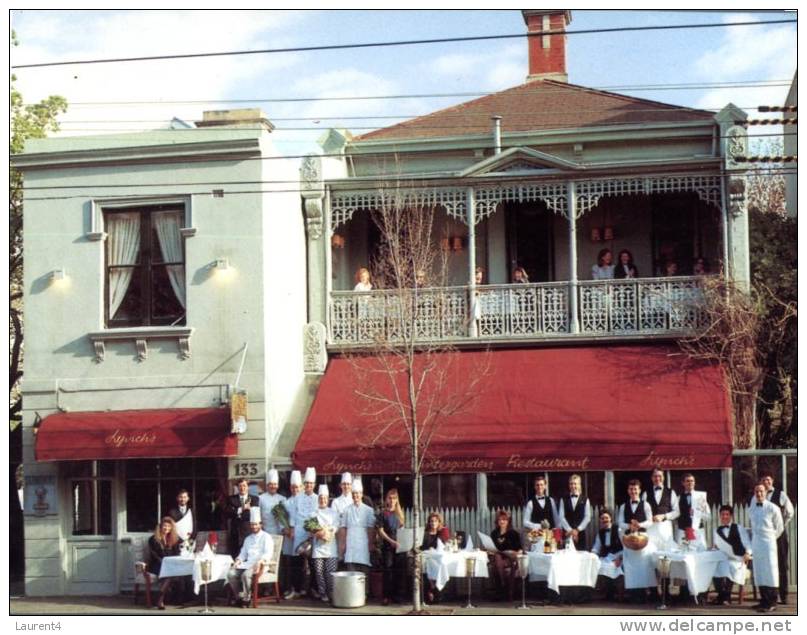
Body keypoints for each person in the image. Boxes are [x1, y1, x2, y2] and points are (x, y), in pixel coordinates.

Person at [754, 472, 794, 604]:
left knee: (781, 565)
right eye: (764, 479)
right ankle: (768, 597)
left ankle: (784, 595)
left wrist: (781, 525)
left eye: (769, 479)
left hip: (778, 534)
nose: (766, 482)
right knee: (766, 566)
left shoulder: (780, 494)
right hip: (763, 538)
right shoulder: (757, 497)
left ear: (772, 481)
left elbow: (790, 512)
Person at [617, 480, 657, 604]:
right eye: (631, 489)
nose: (633, 492)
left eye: (635, 489)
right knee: (631, 567)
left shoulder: (646, 505)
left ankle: (651, 593)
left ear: (639, 490)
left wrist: (639, 525)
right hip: (629, 539)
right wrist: (630, 525)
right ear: (628, 491)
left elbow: (650, 521)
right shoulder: (623, 506)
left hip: (642, 538)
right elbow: (620, 522)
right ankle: (634, 594)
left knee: (646, 566)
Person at [226, 507, 274, 608]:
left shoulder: (267, 537)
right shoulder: (248, 538)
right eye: (252, 524)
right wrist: (238, 560)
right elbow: (243, 553)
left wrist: (260, 561)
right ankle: (240, 596)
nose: (254, 527)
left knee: (245, 575)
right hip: (248, 564)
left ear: (261, 524)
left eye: (256, 524)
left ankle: (247, 598)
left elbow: (268, 553)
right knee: (231, 573)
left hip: (261, 565)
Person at [748, 483, 784, 613]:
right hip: (756, 542)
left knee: (770, 571)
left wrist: (771, 538)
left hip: (768, 542)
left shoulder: (773, 508)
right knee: (759, 571)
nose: (759, 494)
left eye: (761, 491)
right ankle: (763, 600)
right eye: (757, 491)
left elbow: (780, 527)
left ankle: (772, 602)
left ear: (766, 492)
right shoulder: (752, 508)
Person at [286, 467, 318, 599]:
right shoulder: (298, 498)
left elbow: (318, 515)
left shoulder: (317, 498)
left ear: (314, 485)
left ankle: (313, 589)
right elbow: (293, 515)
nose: (308, 485)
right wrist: (292, 529)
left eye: (311, 483)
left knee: (313, 563)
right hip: (299, 532)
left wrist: (314, 531)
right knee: (297, 563)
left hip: (313, 533)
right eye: (307, 483)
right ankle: (297, 589)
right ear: (304, 484)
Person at [710, 505, 751, 606]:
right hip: (723, 557)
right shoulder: (717, 530)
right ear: (720, 516)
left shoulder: (738, 527)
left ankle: (724, 597)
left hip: (738, 558)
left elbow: (747, 542)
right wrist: (713, 548)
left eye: (727, 514)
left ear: (731, 516)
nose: (724, 517)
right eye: (722, 514)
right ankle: (723, 596)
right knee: (714, 567)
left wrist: (748, 553)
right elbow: (717, 545)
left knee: (730, 566)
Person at [338, 478, 376, 575]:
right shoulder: (346, 510)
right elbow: (343, 529)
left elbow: (371, 529)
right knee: (351, 573)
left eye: (358, 493)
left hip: (363, 545)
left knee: (364, 573)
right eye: (354, 493)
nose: (356, 495)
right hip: (350, 544)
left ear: (362, 494)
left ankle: (365, 590)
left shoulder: (368, 510)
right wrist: (342, 546)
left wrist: (370, 544)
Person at [376, 488, 406, 605]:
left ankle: (398, 596)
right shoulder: (383, 513)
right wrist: (391, 541)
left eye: (394, 498)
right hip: (388, 546)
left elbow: (402, 529)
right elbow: (380, 531)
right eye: (390, 498)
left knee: (399, 571)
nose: (392, 500)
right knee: (388, 571)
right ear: (386, 499)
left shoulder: (400, 513)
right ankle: (386, 596)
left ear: (397, 500)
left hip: (399, 546)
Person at [309, 484, 338, 603]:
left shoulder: (333, 513)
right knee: (319, 572)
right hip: (318, 548)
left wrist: (328, 533)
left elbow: (336, 526)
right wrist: (319, 533)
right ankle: (323, 593)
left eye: (325, 498)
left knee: (330, 572)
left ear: (328, 499)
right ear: (318, 499)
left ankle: (332, 593)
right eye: (321, 498)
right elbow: (311, 529)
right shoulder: (313, 514)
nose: (323, 500)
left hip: (331, 547)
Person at [167, 489, 195, 604]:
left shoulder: (192, 511)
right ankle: (178, 598)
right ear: (177, 499)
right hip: (176, 544)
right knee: (178, 571)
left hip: (190, 544)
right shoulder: (172, 512)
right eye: (180, 497)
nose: (182, 499)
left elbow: (195, 526)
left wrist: (191, 539)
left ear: (188, 498)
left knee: (189, 570)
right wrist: (179, 540)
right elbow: (171, 528)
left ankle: (190, 597)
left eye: (184, 497)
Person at [147, 516, 181, 610]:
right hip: (156, 565)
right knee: (169, 574)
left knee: (176, 573)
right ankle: (160, 599)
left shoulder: (174, 539)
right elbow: (155, 555)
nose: (166, 528)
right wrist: (164, 562)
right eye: (165, 526)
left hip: (170, 565)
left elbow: (177, 553)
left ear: (172, 528)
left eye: (169, 527)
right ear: (160, 527)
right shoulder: (153, 539)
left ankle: (160, 597)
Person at [489, 510, 522, 602]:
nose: (502, 522)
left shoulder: (513, 533)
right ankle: (505, 587)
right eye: (499, 520)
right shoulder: (494, 533)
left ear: (508, 521)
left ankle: (501, 589)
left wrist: (515, 553)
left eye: (504, 520)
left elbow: (519, 549)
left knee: (497, 560)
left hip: (510, 558)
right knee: (497, 557)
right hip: (498, 558)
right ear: (497, 521)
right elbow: (492, 547)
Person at [590, 508, 622, 602]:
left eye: (606, 518)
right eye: (602, 518)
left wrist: (620, 558)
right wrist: (592, 555)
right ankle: (608, 593)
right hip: (607, 556)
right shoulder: (600, 532)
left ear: (611, 518)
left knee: (611, 566)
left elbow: (625, 546)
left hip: (618, 554)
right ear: (600, 520)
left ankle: (615, 594)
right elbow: (596, 546)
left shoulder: (618, 529)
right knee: (599, 565)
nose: (604, 520)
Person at [641, 468, 679, 547]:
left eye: (660, 476)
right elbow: (641, 512)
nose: (657, 478)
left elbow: (677, 511)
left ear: (663, 477)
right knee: (651, 550)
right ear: (652, 478)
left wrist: (664, 516)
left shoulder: (671, 492)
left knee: (666, 553)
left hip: (665, 528)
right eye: (655, 476)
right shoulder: (645, 493)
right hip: (651, 528)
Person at [420, 512, 450, 603]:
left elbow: (443, 542)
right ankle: (432, 587)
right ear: (429, 522)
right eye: (431, 521)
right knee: (429, 563)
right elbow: (422, 546)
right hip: (427, 555)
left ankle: (435, 588)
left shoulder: (442, 532)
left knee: (441, 564)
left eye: (435, 521)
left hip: (437, 556)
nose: (433, 523)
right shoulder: (425, 533)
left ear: (439, 522)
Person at [281, 470, 302, 597]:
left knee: (302, 564)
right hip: (289, 537)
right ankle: (291, 588)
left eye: (298, 487)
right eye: (293, 487)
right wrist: (286, 530)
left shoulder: (306, 501)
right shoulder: (286, 502)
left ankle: (300, 589)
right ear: (290, 487)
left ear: (302, 487)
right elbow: (281, 520)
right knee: (289, 564)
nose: (295, 489)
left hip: (302, 537)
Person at [227, 479, 259, 558]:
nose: (242, 488)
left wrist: (237, 512)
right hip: (236, 532)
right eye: (240, 486)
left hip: (248, 531)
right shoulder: (232, 499)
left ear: (248, 487)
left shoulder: (254, 499)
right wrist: (242, 508)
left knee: (249, 555)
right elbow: (228, 513)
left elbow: (252, 514)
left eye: (244, 486)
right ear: (237, 487)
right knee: (236, 555)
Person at [558, 474, 591, 550]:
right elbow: (561, 516)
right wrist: (570, 530)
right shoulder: (563, 499)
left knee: (581, 556)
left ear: (579, 485)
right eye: (571, 484)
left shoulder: (585, 499)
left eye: (575, 483)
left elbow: (587, 517)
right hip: (567, 533)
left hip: (580, 534)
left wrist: (577, 530)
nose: (573, 486)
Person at [675, 473, 708, 548]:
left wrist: (697, 513)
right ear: (683, 483)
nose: (690, 483)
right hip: (683, 532)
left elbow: (708, 517)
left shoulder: (701, 497)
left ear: (694, 482)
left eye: (692, 481)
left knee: (700, 556)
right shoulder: (678, 498)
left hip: (698, 532)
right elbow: (675, 514)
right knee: (682, 554)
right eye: (687, 481)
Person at [258, 469, 287, 539]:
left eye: (275, 484)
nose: (273, 486)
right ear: (267, 485)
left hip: (279, 531)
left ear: (277, 486)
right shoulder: (261, 498)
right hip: (265, 530)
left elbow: (285, 517)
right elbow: (259, 514)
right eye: (270, 484)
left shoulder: (282, 499)